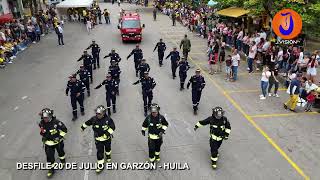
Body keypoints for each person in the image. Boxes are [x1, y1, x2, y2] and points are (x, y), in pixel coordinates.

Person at [81, 105, 115, 173]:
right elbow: (88, 122)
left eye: (99, 114)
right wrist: (83, 127)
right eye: (96, 113)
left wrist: (107, 134)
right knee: (100, 153)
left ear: (103, 113)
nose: (97, 115)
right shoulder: (94, 119)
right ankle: (100, 165)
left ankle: (108, 156)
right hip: (98, 140)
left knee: (108, 149)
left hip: (107, 139)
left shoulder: (108, 119)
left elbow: (113, 127)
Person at [38, 108, 67, 177]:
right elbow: (42, 132)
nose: (45, 119)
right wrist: (43, 133)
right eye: (44, 117)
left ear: (50, 116)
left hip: (58, 142)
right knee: (49, 156)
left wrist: (59, 137)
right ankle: (51, 169)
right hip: (48, 143)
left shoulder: (56, 122)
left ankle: (62, 161)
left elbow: (64, 130)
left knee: (61, 152)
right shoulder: (41, 123)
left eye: (46, 117)